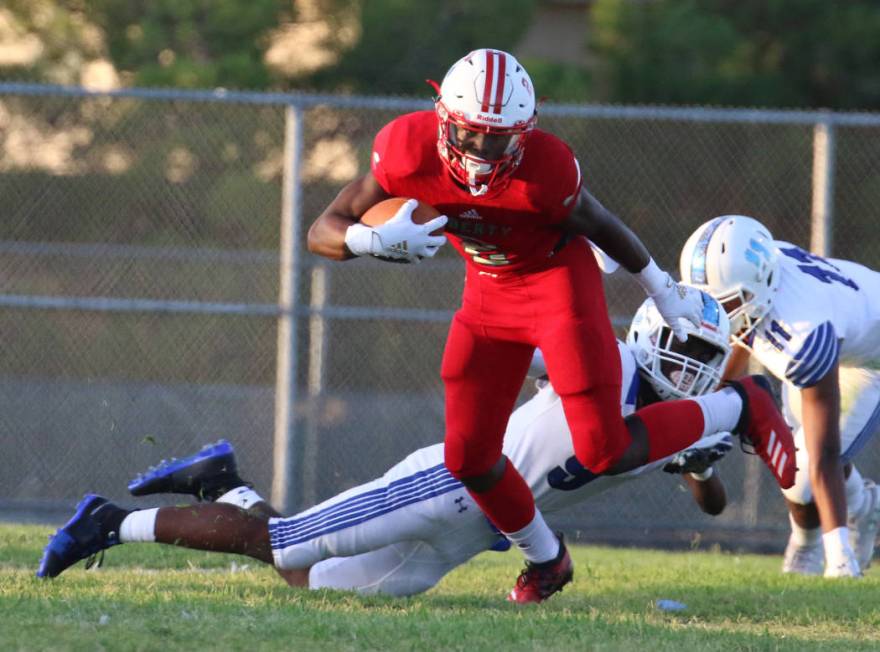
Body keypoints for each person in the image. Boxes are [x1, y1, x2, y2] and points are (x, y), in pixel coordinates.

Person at [304, 48, 797, 601]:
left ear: (526, 131)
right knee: (469, 457)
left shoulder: (546, 168)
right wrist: (366, 240)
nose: (486, 151)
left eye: (501, 138)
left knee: (603, 449)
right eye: (473, 135)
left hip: (557, 286)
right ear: (444, 119)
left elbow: (604, 226)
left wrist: (661, 287)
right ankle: (547, 561)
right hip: (488, 294)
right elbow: (323, 228)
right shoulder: (405, 148)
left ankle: (741, 403)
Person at [40, 293, 780, 597]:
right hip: (452, 486)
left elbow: (708, 499)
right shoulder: (608, 362)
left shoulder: (681, 413)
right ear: (652, 330)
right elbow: (540, 366)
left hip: (482, 537)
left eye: (706, 356)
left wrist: (705, 450)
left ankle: (221, 483)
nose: (694, 367)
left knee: (315, 586)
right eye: (685, 346)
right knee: (292, 544)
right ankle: (111, 522)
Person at [680, 215, 880, 578]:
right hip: (839, 324)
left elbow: (826, 455)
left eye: (725, 303)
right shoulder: (764, 277)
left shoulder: (802, 335)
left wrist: (840, 559)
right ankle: (860, 505)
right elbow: (741, 334)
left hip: (865, 362)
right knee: (806, 453)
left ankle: (821, 540)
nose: (717, 314)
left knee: (805, 471)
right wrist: (704, 403)